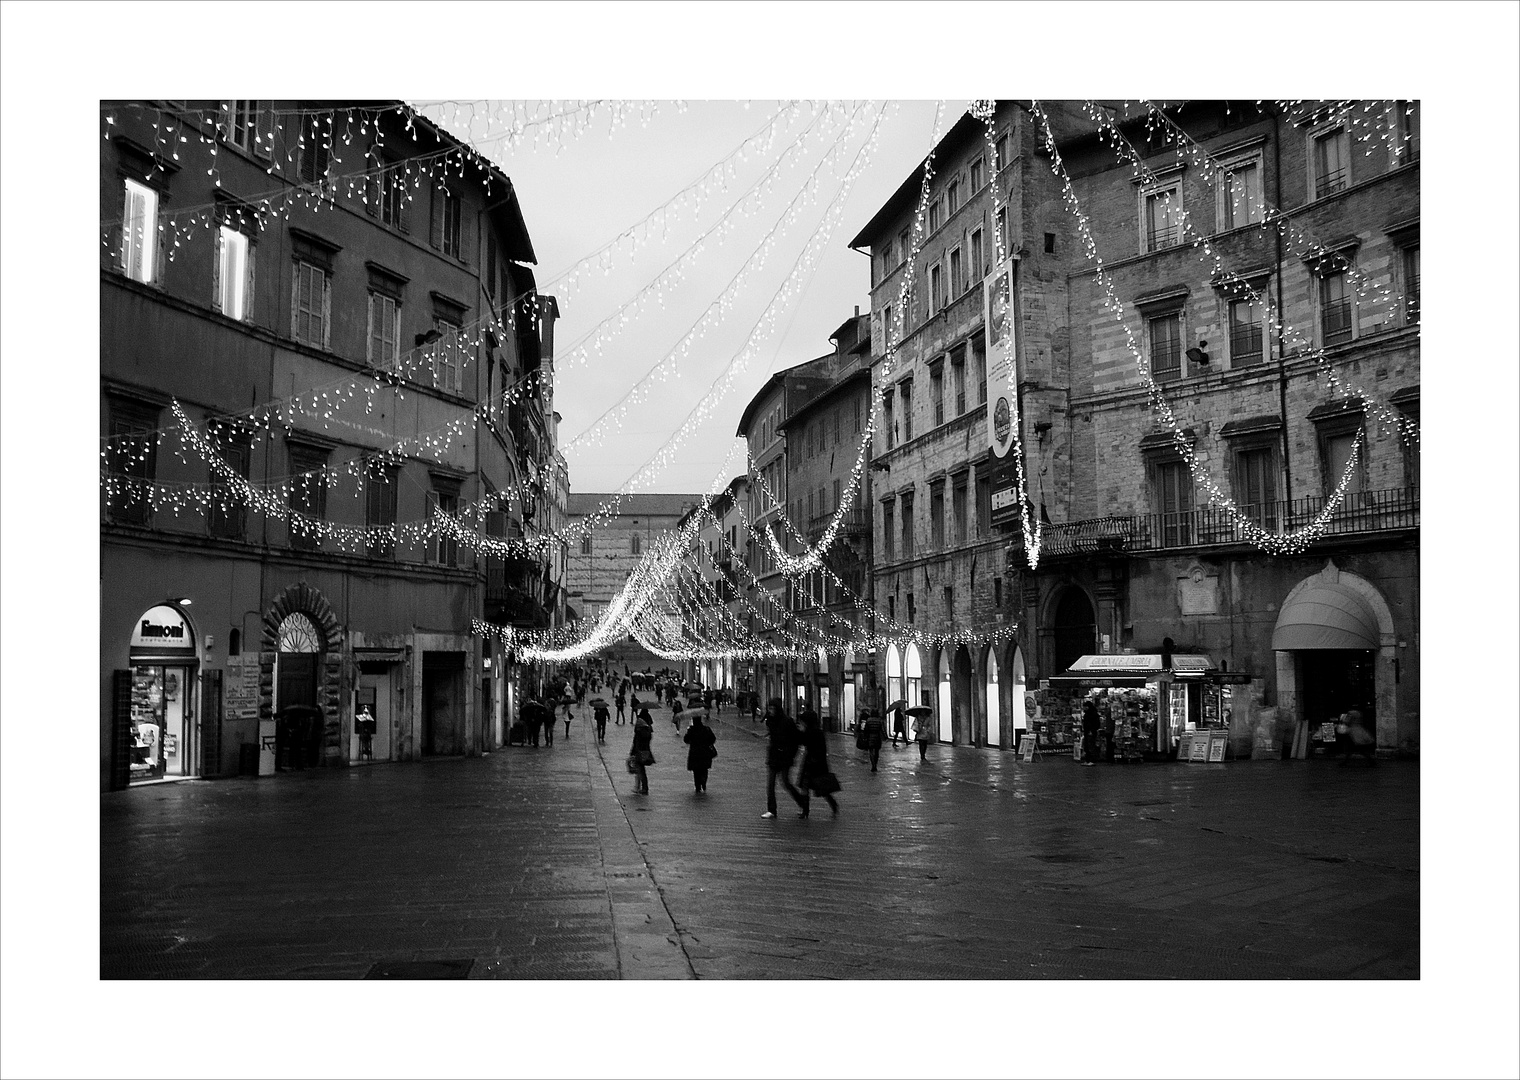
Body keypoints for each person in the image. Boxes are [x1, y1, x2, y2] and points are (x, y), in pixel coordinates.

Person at [761, 697, 805, 819]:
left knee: (786, 782)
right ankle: (771, 810)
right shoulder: (770, 720)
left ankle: (802, 803)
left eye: (772, 708)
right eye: (769, 708)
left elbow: (796, 739)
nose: (770, 710)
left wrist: (790, 754)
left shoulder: (787, 721)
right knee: (770, 784)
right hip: (774, 756)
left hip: (784, 757)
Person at [796, 710, 840, 817]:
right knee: (807, 787)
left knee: (820, 787)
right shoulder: (815, 732)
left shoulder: (813, 733)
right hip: (813, 763)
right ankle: (806, 811)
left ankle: (831, 804)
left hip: (815, 764)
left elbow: (803, 741)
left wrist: (800, 732)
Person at [684, 714, 717, 794]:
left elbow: (686, 740)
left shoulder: (691, 730)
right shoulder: (706, 729)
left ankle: (698, 786)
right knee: (704, 769)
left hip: (695, 753)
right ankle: (703, 782)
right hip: (705, 752)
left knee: (696, 771)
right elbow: (713, 739)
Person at [630, 709, 654, 794]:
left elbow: (636, 742)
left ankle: (643, 788)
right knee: (641, 769)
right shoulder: (647, 730)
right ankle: (641, 787)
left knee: (640, 769)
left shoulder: (639, 731)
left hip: (639, 752)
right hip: (645, 751)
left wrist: (633, 752)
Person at [1080, 698, 1100, 767]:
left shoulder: (1093, 714)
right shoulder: (1087, 714)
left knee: (1091, 745)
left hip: (1090, 732)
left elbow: (1096, 724)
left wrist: (1092, 730)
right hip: (1087, 731)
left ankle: (1092, 760)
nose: (1084, 708)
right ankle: (1087, 760)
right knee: (1087, 746)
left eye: (1085, 707)